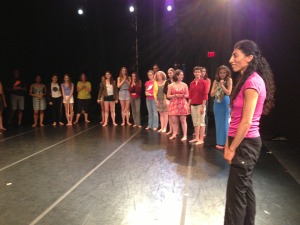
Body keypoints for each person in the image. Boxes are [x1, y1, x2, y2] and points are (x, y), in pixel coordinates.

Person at [224, 40, 275, 225]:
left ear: (249, 58)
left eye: (235, 55)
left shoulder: (253, 82)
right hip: (243, 142)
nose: (231, 59)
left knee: (235, 197)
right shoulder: (247, 80)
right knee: (245, 189)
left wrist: (231, 147)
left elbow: (246, 123)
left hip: (244, 143)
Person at [210, 65, 232, 149]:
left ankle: (225, 142)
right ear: (218, 73)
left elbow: (228, 92)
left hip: (225, 102)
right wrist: (219, 85)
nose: (222, 74)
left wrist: (222, 85)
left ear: (227, 73)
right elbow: (211, 94)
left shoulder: (229, 80)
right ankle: (219, 142)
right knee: (218, 122)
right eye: (220, 73)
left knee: (225, 122)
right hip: (217, 103)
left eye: (224, 73)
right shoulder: (215, 81)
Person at [167, 69, 189, 141]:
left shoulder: (184, 85)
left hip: (182, 103)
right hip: (174, 103)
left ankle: (185, 135)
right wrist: (175, 95)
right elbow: (168, 96)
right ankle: (174, 134)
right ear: (177, 76)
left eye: (182, 75)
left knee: (183, 120)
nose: (182, 76)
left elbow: (187, 95)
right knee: (174, 121)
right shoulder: (171, 85)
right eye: (181, 75)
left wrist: (182, 95)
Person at [188, 66, 208, 145]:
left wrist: (203, 106)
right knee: (195, 122)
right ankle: (196, 137)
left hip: (200, 104)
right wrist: (188, 105)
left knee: (201, 121)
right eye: (196, 72)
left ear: (201, 73)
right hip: (193, 104)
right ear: (193, 73)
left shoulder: (204, 82)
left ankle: (201, 139)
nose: (197, 73)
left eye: (198, 72)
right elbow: (190, 95)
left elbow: (205, 95)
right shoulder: (191, 83)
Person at [164, 68, 175, 135]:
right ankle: (171, 129)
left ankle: (176, 130)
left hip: (175, 99)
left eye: (170, 73)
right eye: (168, 73)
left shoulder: (176, 80)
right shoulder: (167, 81)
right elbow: (164, 91)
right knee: (170, 115)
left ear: (174, 73)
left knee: (175, 116)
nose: (169, 74)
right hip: (168, 99)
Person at [200, 67, 211, 135]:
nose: (203, 73)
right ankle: (197, 130)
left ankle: (204, 131)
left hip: (204, 99)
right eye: (201, 71)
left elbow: (207, 90)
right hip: (197, 99)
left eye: (204, 71)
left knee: (204, 115)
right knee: (197, 115)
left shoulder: (207, 80)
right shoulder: (196, 80)